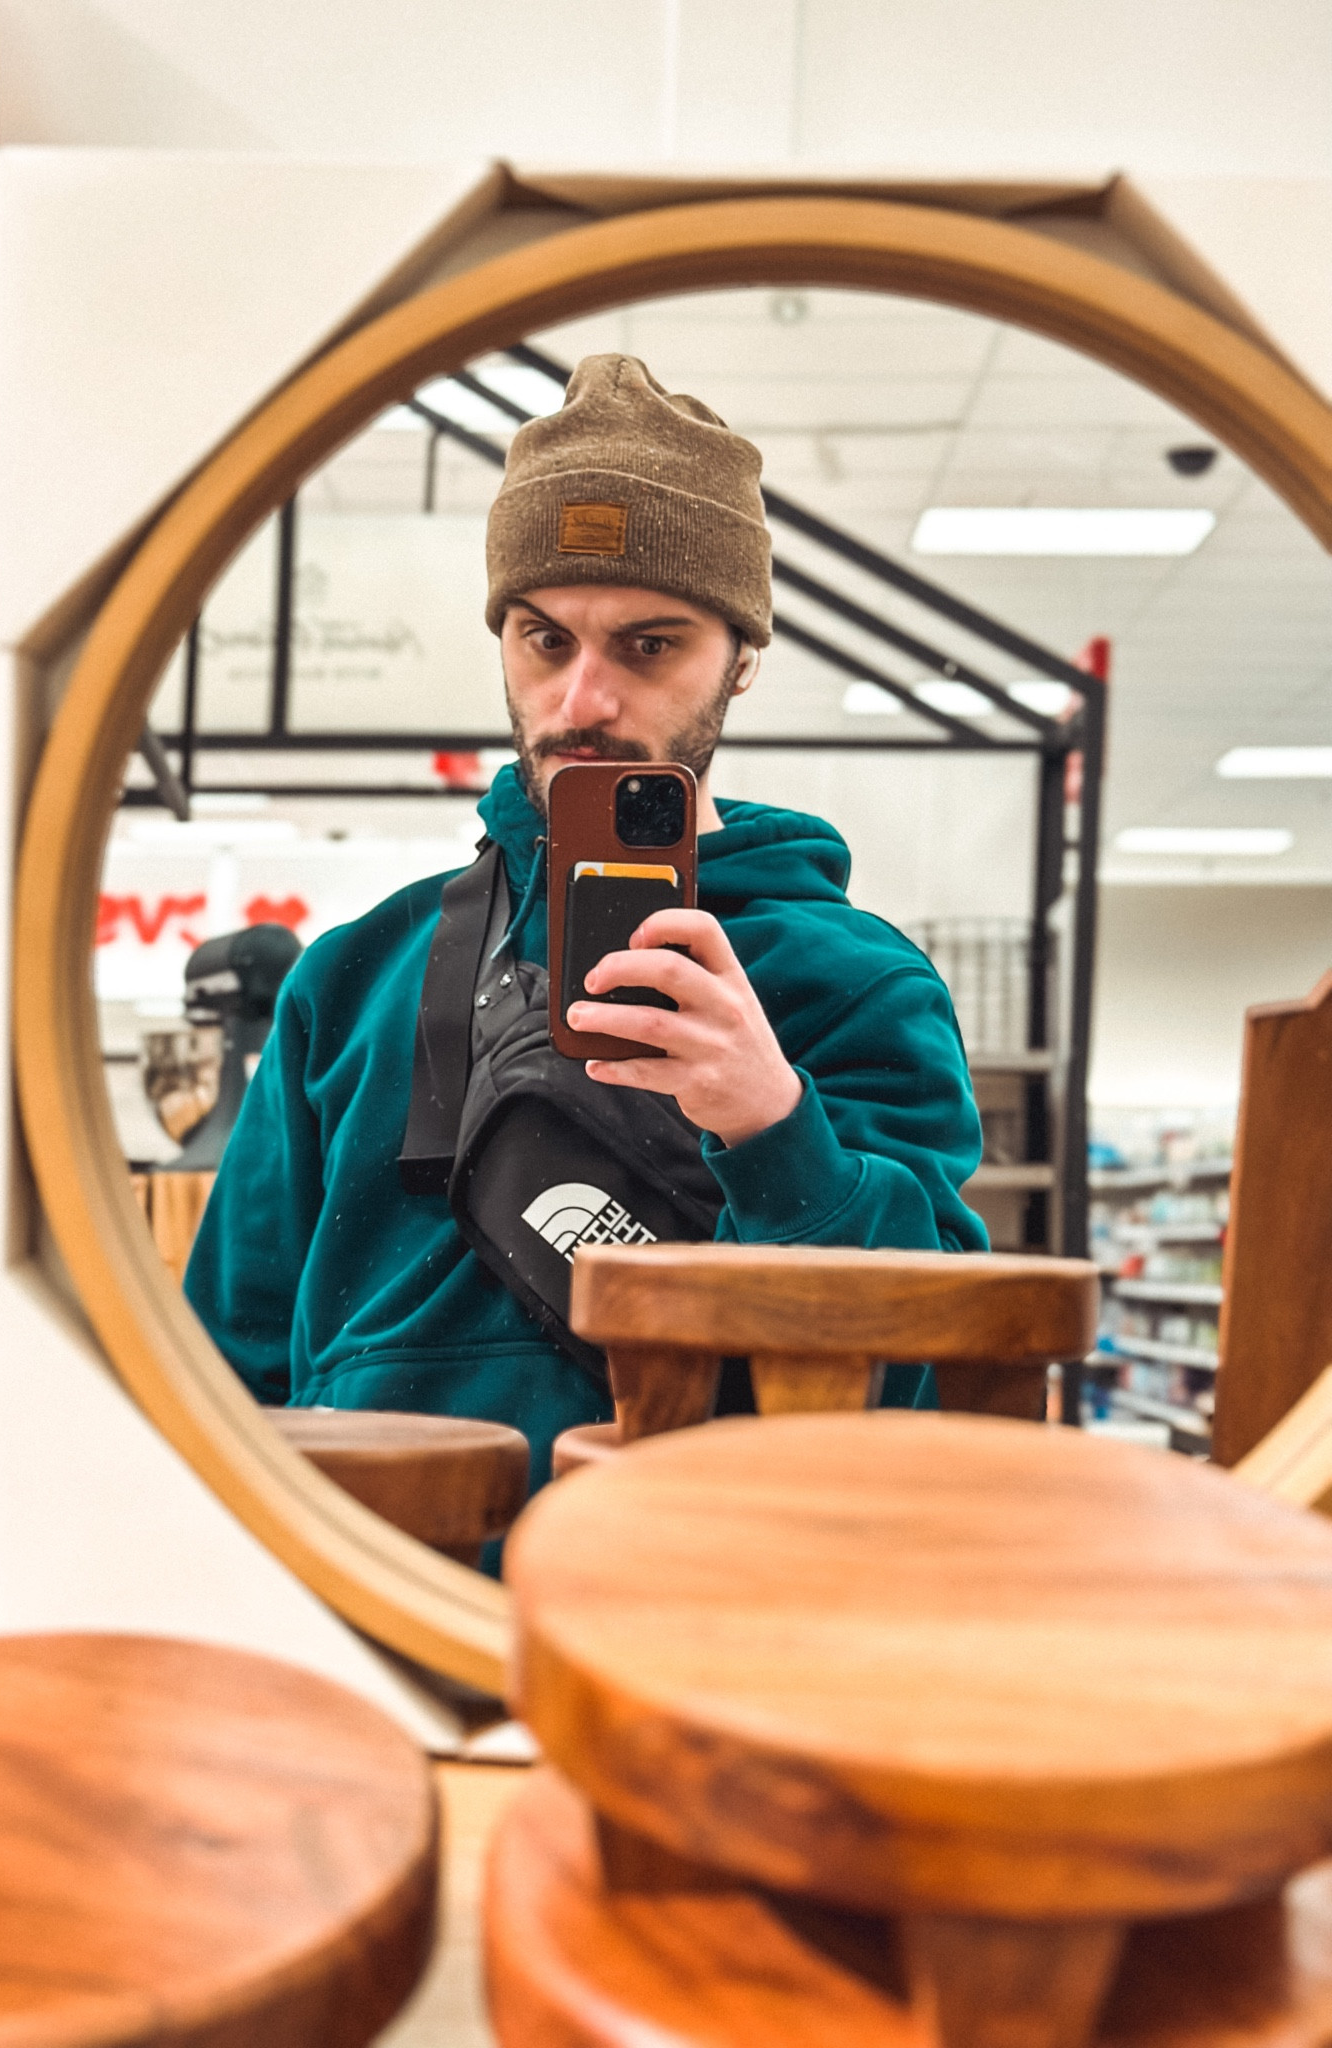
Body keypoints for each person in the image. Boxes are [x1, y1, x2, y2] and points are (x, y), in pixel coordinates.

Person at [185, 354, 989, 1484]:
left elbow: (923, 1388)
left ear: (742, 660)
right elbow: (225, 1362)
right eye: (546, 639)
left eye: (650, 645)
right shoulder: (352, 977)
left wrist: (774, 1126)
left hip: (688, 1566)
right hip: (368, 1557)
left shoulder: (858, 985)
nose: (584, 701)